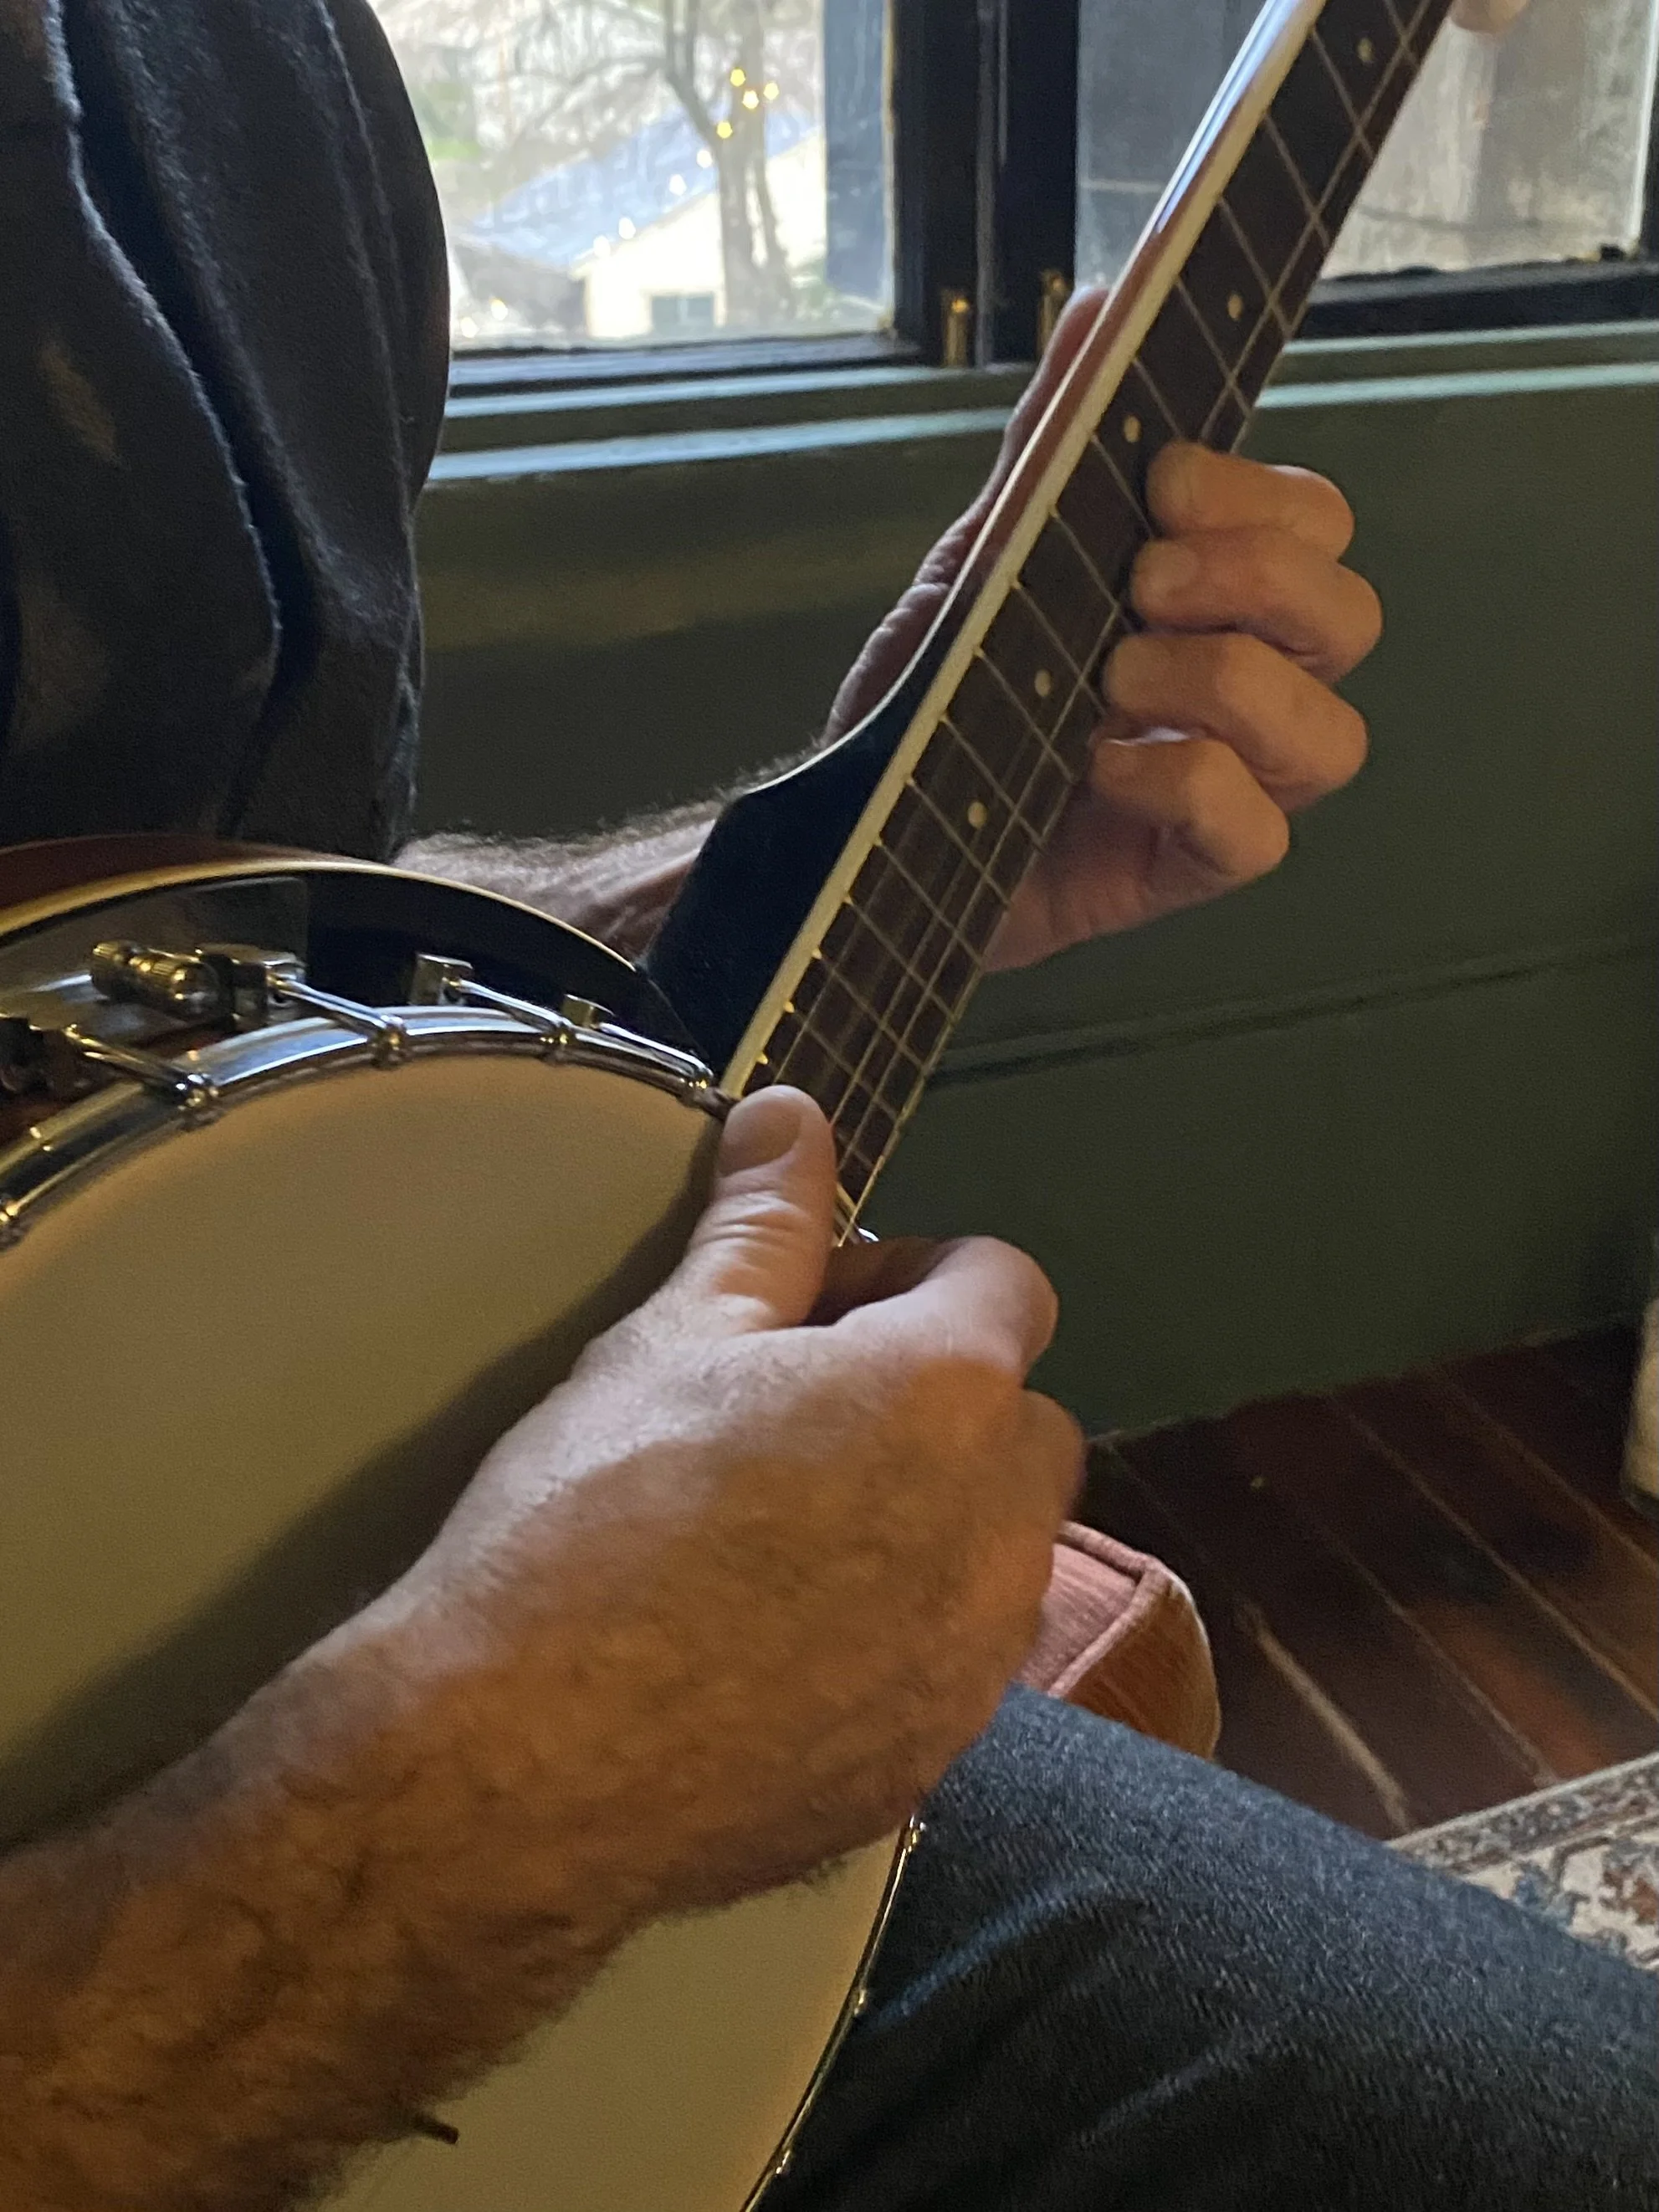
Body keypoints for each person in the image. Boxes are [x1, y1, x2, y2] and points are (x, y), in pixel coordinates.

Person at [1, 4, 1653, 2209]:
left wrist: (786, 861)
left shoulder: (241, 67)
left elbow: (170, 948)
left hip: (381, 1598)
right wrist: (512, 1764)